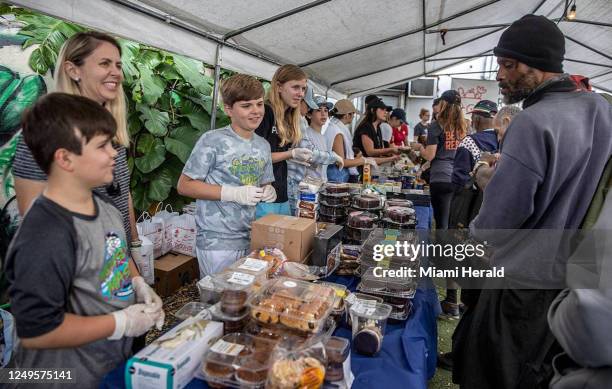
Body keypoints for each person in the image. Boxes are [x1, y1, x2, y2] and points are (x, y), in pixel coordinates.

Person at [453, 15, 612, 389]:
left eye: (509, 65)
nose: (499, 76)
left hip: (521, 283)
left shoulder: (532, 121)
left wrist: (485, 180)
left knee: (493, 375)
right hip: (578, 283)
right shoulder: (603, 111)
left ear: (538, 67)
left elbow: (499, 222)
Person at [5, 93, 164, 388]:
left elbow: (114, 252)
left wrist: (138, 284)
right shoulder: (46, 233)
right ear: (65, 158)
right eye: (102, 146)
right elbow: (37, 331)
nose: (114, 154)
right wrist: (122, 323)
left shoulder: (105, 210)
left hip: (106, 367)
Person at [12, 31, 138, 244]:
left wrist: (134, 243)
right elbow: (33, 217)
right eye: (105, 63)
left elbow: (121, 191)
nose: (116, 72)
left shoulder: (111, 129)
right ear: (72, 70)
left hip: (115, 260)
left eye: (118, 65)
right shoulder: (47, 129)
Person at [177, 74, 275, 277]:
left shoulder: (263, 145)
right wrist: (232, 193)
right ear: (229, 109)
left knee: (245, 299)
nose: (256, 111)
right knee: (220, 301)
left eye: (259, 104)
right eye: (247, 106)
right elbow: (185, 185)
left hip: (250, 237)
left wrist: (268, 189)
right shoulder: (213, 140)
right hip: (217, 241)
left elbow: (265, 180)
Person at [412, 89, 467, 318]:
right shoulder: (464, 127)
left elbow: (431, 155)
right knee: (452, 228)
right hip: (459, 178)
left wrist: (418, 149)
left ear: (443, 104)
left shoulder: (437, 126)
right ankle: (452, 283)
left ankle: (442, 267)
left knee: (441, 226)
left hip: (441, 178)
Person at [255, 64, 313, 218]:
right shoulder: (265, 113)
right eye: (295, 87)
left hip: (282, 193)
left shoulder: (289, 117)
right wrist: (292, 154)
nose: (300, 94)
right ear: (279, 87)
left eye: (303, 89)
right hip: (262, 194)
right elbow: (258, 158)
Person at [287, 95, 343, 215]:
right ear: (309, 114)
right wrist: (333, 157)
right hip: (306, 191)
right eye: (318, 110)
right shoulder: (305, 133)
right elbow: (311, 157)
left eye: (326, 110)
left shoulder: (322, 136)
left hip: (318, 189)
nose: (323, 114)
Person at [449, 99, 499, 228]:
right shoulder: (505, 141)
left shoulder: (469, 141)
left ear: (476, 120)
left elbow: (459, 178)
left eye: (472, 117)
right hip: (495, 206)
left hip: (469, 207)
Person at [325, 99, 396, 183]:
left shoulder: (335, 127)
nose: (354, 116)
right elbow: (341, 161)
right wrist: (363, 160)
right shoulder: (337, 131)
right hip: (336, 178)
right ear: (347, 115)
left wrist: (356, 154)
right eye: (353, 114)